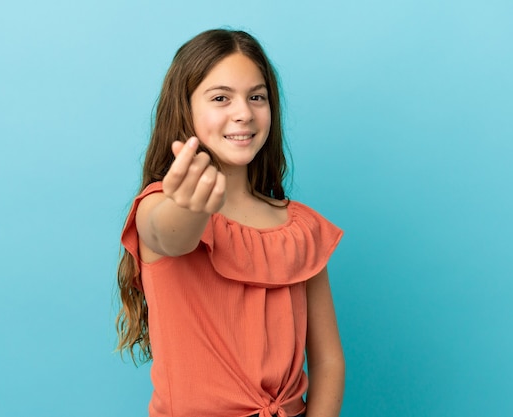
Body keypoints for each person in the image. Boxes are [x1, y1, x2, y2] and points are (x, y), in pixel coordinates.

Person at [117, 28, 345, 417]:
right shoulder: (157, 206)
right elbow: (170, 236)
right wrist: (190, 206)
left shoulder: (300, 230)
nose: (243, 112)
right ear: (184, 109)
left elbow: (327, 361)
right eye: (221, 98)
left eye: (257, 97)